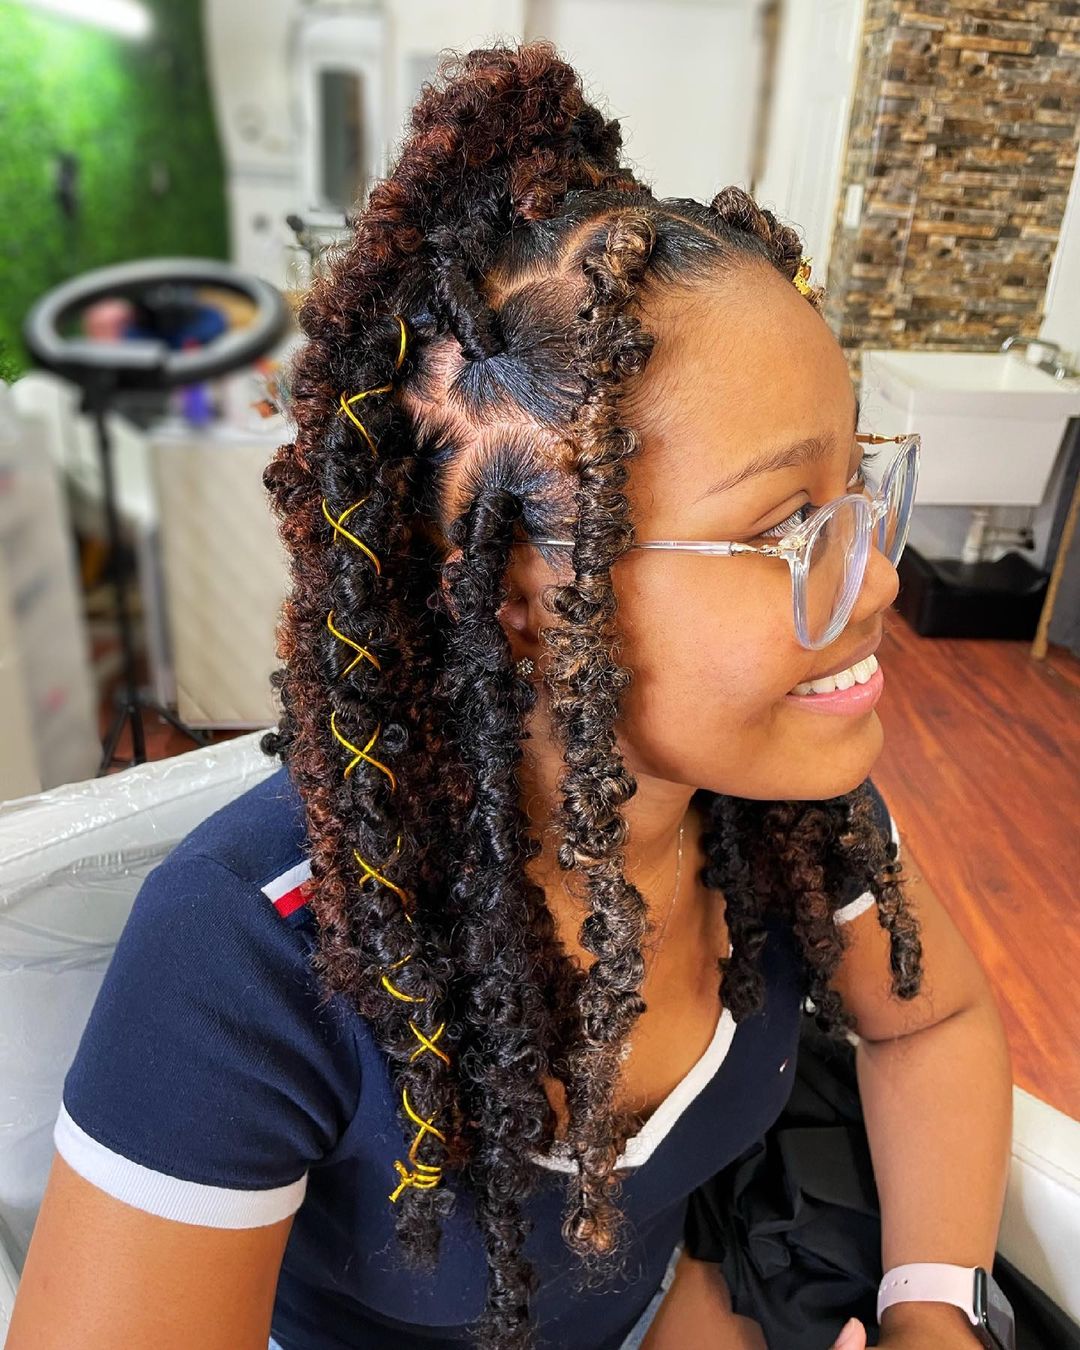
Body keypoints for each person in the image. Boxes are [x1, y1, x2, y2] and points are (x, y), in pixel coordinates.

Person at [9, 39, 1012, 1350]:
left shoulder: (781, 811)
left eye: (859, 491)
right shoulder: (253, 956)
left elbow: (935, 1019)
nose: (877, 578)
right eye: (785, 528)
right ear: (526, 600)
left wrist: (935, 1306)